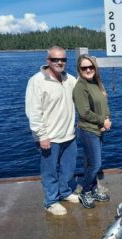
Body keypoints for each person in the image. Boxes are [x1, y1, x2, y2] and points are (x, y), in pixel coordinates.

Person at [25, 46, 79, 215]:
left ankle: (64, 192)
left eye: (63, 59)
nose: (59, 63)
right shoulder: (36, 81)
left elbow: (83, 96)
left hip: (69, 135)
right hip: (49, 137)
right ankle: (51, 201)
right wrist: (42, 136)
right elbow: (33, 111)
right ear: (47, 60)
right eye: (55, 59)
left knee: (68, 169)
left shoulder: (70, 79)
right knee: (49, 171)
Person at [73, 54, 111, 209]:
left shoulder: (96, 84)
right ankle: (86, 191)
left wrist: (107, 119)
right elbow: (84, 113)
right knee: (95, 164)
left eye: (91, 67)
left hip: (98, 129)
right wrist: (102, 121)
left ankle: (94, 189)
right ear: (79, 69)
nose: (88, 70)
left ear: (95, 68)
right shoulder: (80, 87)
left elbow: (104, 105)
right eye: (84, 68)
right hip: (88, 131)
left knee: (90, 163)